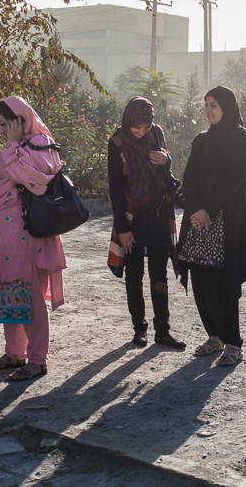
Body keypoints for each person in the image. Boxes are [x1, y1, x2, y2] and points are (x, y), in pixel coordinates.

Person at [0, 97, 67, 381]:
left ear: (21, 119)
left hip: (27, 235)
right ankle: (15, 352)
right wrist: (13, 146)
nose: (1, 130)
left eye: (4, 124)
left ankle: (38, 358)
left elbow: (36, 182)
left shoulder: (41, 145)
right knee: (9, 291)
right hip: (3, 237)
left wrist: (14, 145)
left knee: (28, 295)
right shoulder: (18, 147)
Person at [177, 86, 246, 365]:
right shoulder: (201, 140)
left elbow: (233, 181)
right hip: (199, 223)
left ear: (228, 108)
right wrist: (197, 210)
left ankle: (233, 342)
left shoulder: (242, 139)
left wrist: (206, 209)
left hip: (226, 223)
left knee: (223, 284)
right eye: (207, 105)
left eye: (215, 105)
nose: (209, 111)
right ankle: (214, 336)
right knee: (200, 280)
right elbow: (189, 178)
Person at [106, 97, 186, 349]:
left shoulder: (157, 133)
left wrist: (167, 161)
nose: (141, 132)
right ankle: (139, 329)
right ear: (128, 120)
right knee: (134, 275)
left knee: (159, 276)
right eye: (136, 127)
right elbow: (115, 189)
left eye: (146, 126)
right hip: (133, 218)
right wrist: (123, 229)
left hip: (159, 213)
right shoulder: (117, 143)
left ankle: (163, 331)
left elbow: (165, 170)